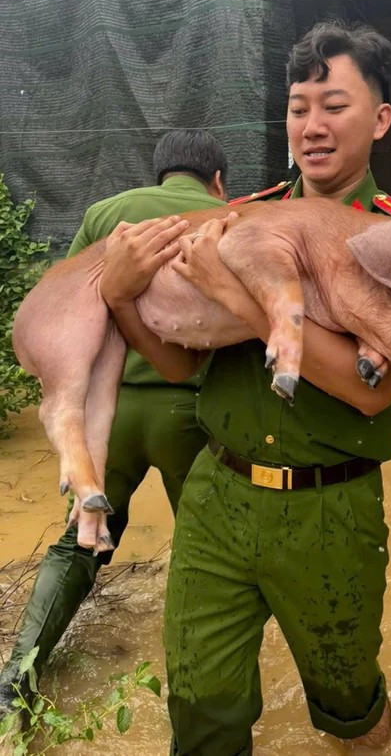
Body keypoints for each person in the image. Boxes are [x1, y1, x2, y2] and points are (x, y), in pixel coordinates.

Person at [98, 20, 391, 754]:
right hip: (216, 495)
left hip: (330, 512)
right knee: (200, 704)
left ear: (381, 119)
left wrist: (245, 299)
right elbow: (182, 368)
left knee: (350, 708)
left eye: (335, 105)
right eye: (297, 106)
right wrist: (122, 298)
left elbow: (372, 392)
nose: (312, 126)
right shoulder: (234, 222)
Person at [0, 130, 228, 715]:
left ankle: (18, 677)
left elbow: (67, 302)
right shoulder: (228, 217)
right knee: (210, 553)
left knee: (81, 537)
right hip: (191, 414)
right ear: (217, 180)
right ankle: (200, 695)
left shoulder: (107, 216)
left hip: (112, 414)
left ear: (160, 174)